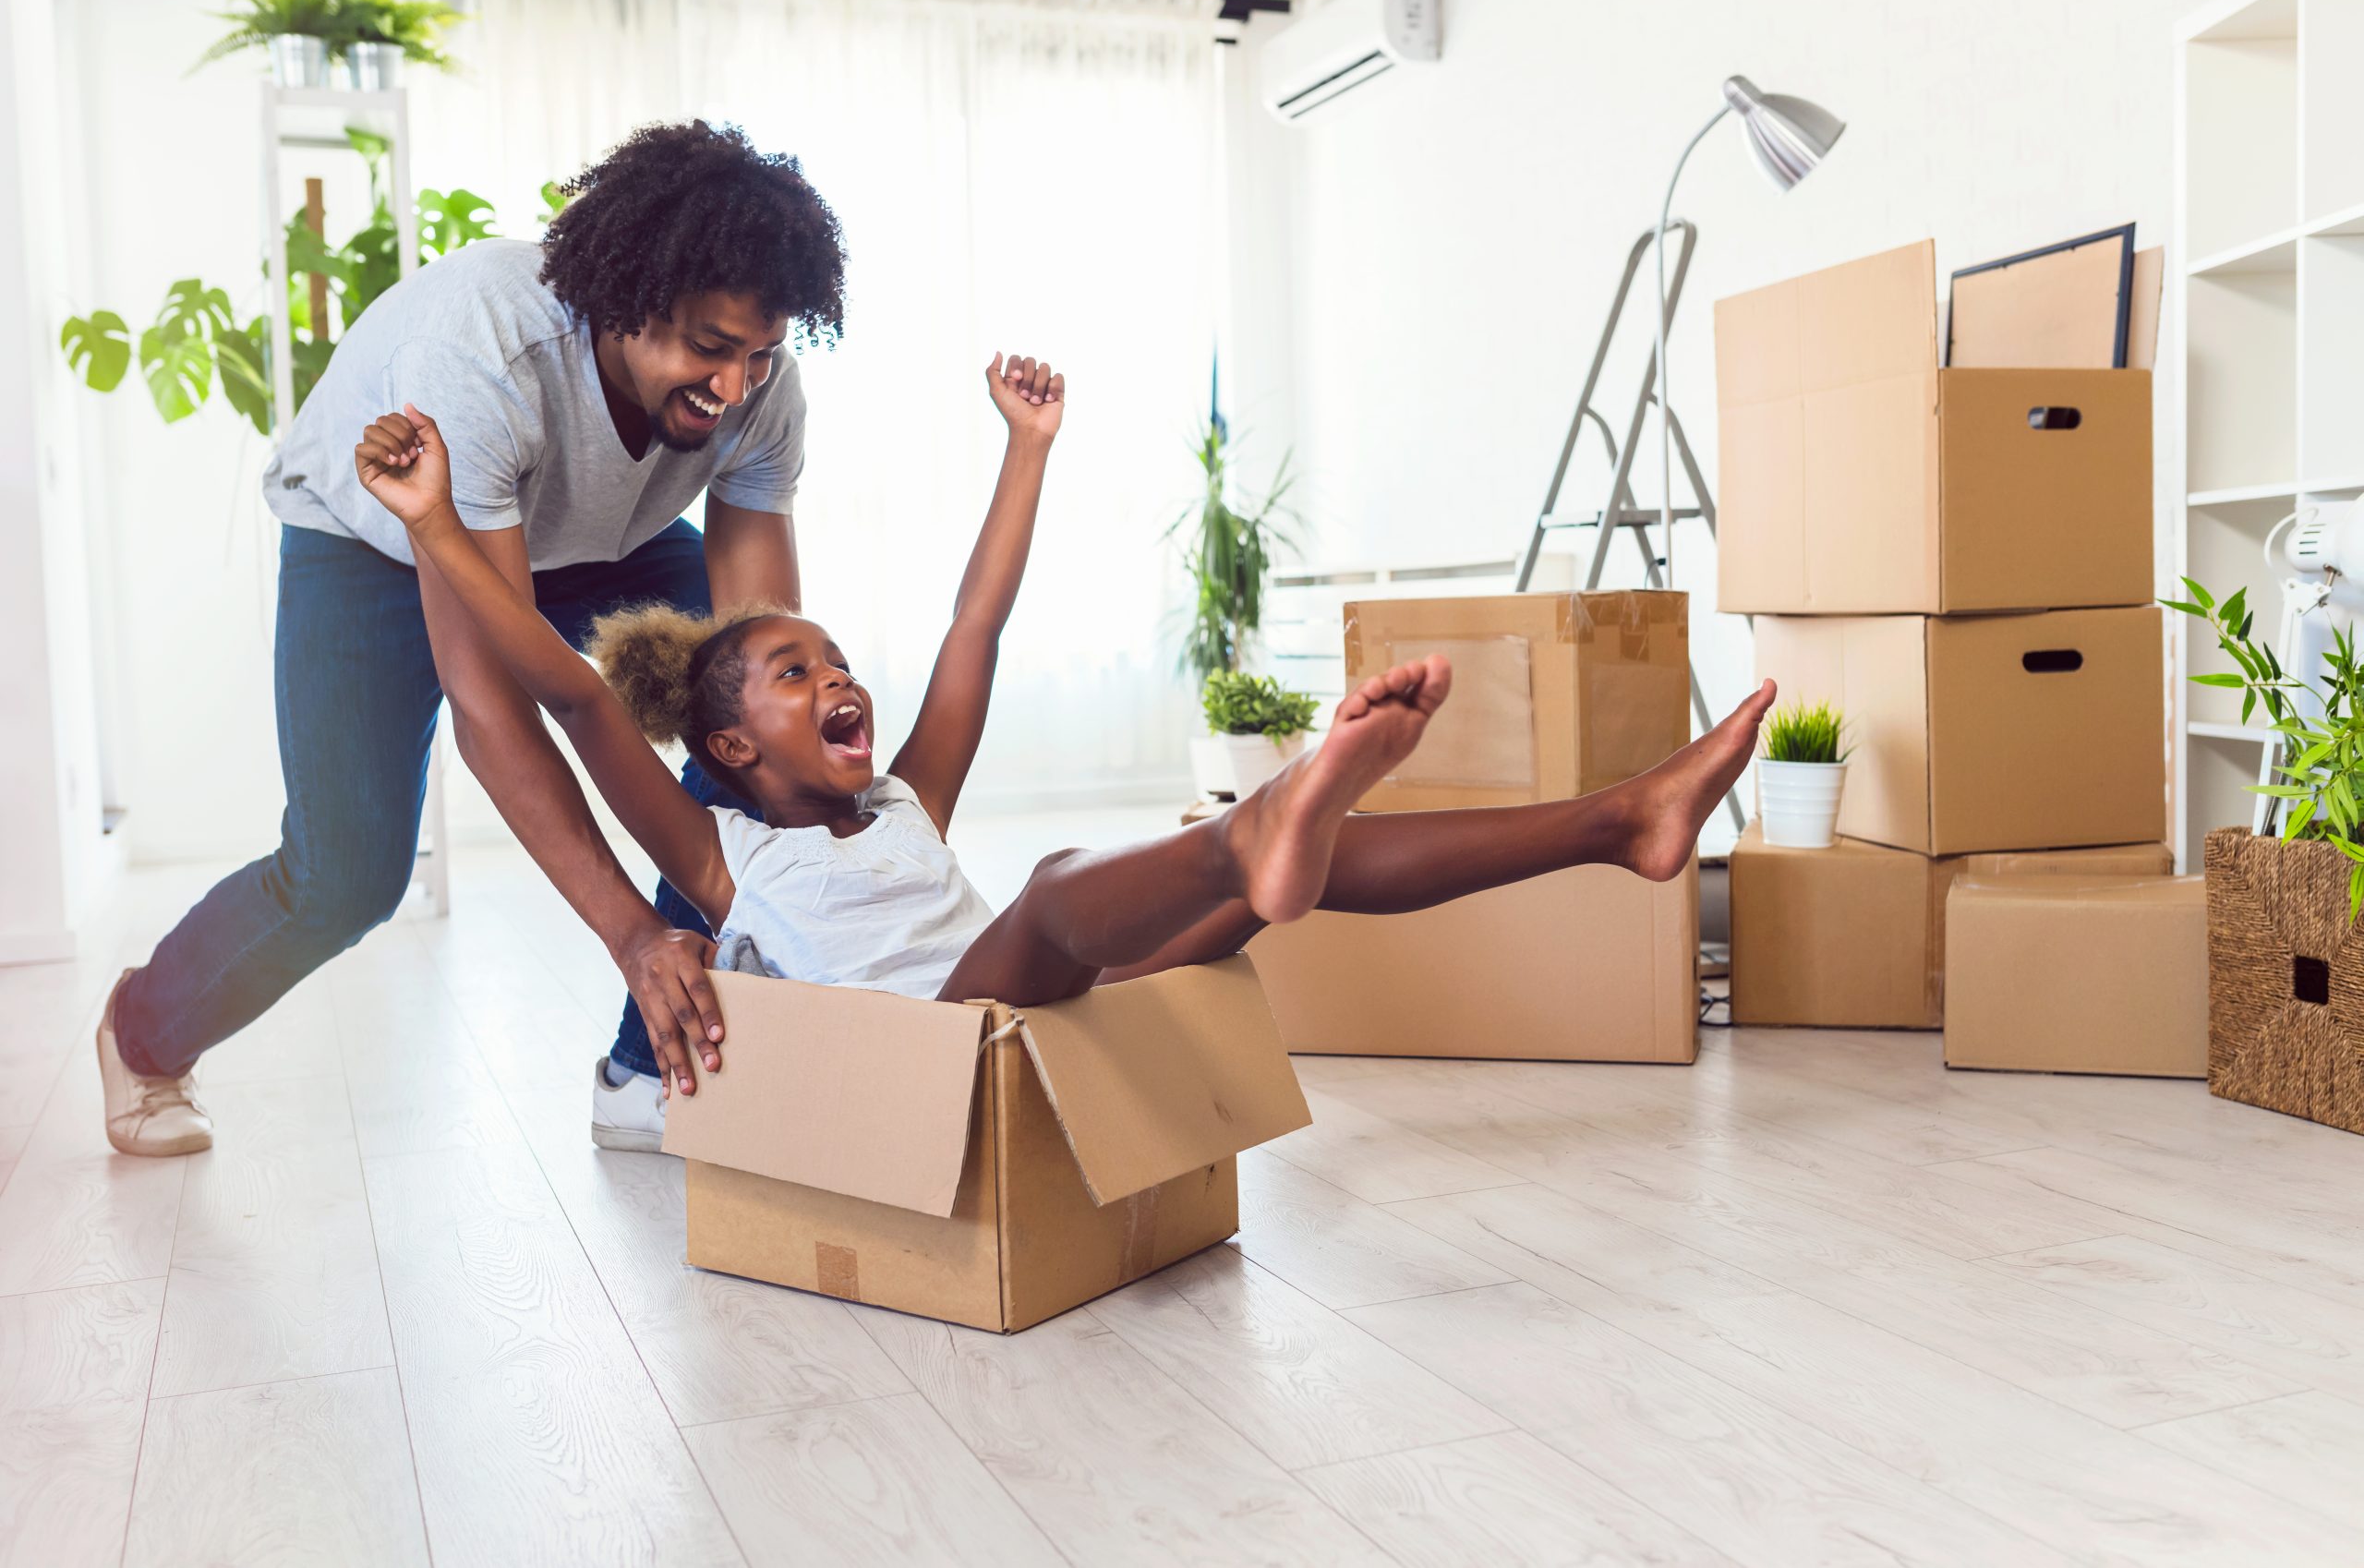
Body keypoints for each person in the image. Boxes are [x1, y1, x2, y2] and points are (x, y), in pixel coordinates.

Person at [345, 354, 1776, 1032]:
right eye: (799, 676)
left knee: (1297, 865)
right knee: (1051, 885)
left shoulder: (905, 793)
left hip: (1044, 1007)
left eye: (839, 663)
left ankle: (1621, 820)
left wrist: (1026, 445)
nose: (842, 682)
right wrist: (431, 525)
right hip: (946, 1043)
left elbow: (979, 618)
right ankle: (1258, 829)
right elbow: (577, 698)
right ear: (728, 741)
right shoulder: (723, 857)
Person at [94, 120, 846, 1159]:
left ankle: (648, 1069)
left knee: (759, 728)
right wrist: (631, 930)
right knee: (348, 874)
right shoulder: (480, 356)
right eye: (709, 349)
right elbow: (492, 707)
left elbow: (769, 664)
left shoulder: (759, 390)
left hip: (588, 538)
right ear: (624, 303)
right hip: (384, 536)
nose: (733, 388)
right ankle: (142, 1031)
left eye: (759, 354)